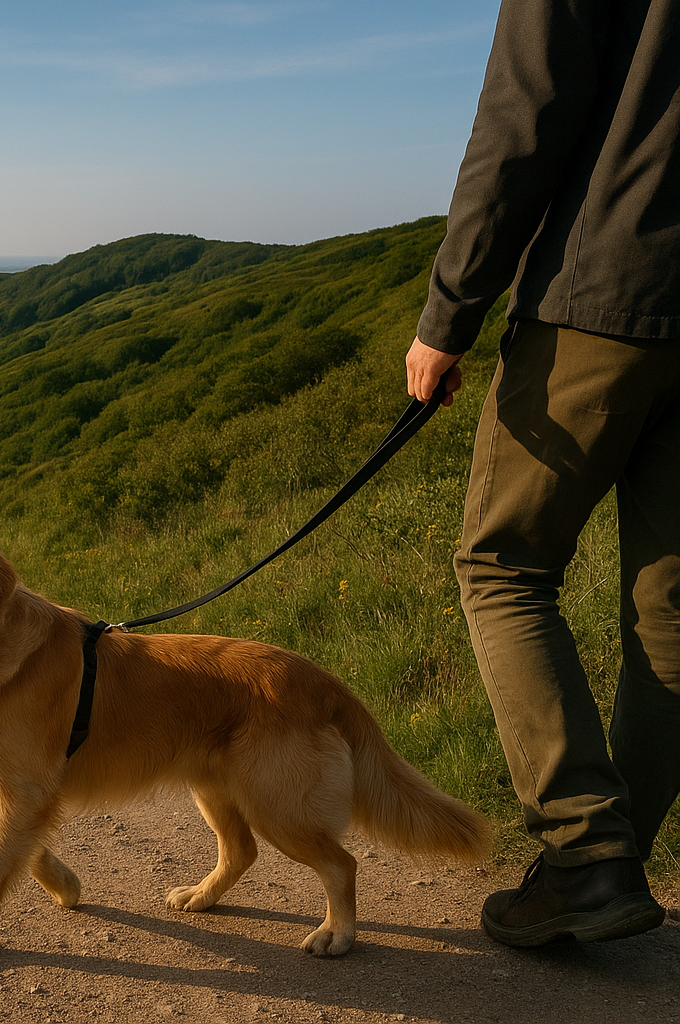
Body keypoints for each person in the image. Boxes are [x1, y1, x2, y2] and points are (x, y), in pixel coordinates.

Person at [406, 0, 679, 947]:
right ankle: (610, 871)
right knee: (672, 616)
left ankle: (585, 858)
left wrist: (450, 313)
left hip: (607, 290)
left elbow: (525, 113)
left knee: (502, 563)